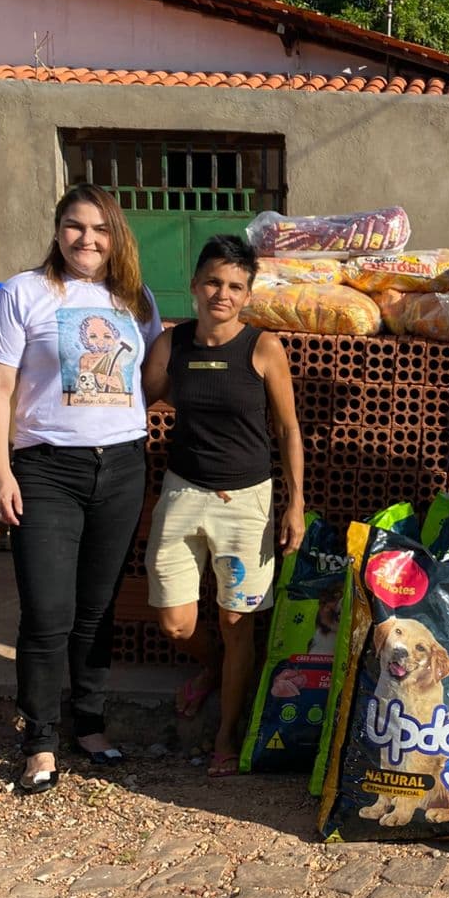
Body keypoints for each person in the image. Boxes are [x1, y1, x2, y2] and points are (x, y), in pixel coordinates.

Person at [0, 183, 163, 795]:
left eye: (101, 229)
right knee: (47, 611)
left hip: (122, 467)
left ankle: (89, 723)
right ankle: (39, 739)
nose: (88, 239)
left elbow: (152, 375)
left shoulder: (134, 300)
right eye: (76, 226)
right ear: (58, 230)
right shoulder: (22, 294)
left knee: (97, 607)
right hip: (46, 469)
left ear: (117, 237)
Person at [141, 235, 305, 777]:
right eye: (213, 281)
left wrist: (295, 502)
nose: (223, 293)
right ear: (194, 286)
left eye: (235, 286)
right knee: (175, 623)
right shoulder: (173, 345)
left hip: (247, 503)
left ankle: (226, 737)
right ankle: (213, 670)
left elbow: (287, 429)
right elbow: (139, 397)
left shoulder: (262, 348)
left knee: (237, 620)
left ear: (248, 294)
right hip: (183, 494)